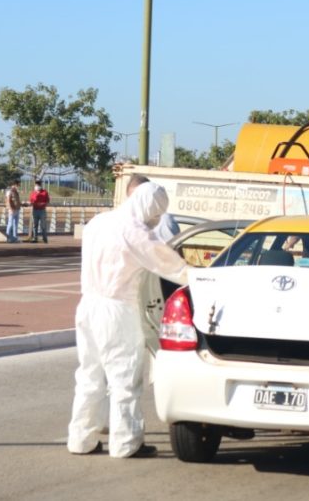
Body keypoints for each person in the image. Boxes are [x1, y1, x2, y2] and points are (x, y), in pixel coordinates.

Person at [67, 178, 189, 459]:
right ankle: (126, 443)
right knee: (124, 378)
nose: (154, 220)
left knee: (89, 374)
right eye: (155, 213)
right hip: (118, 310)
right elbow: (172, 267)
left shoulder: (98, 222)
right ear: (147, 205)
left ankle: (81, 439)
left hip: (88, 305)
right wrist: (199, 276)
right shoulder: (135, 232)